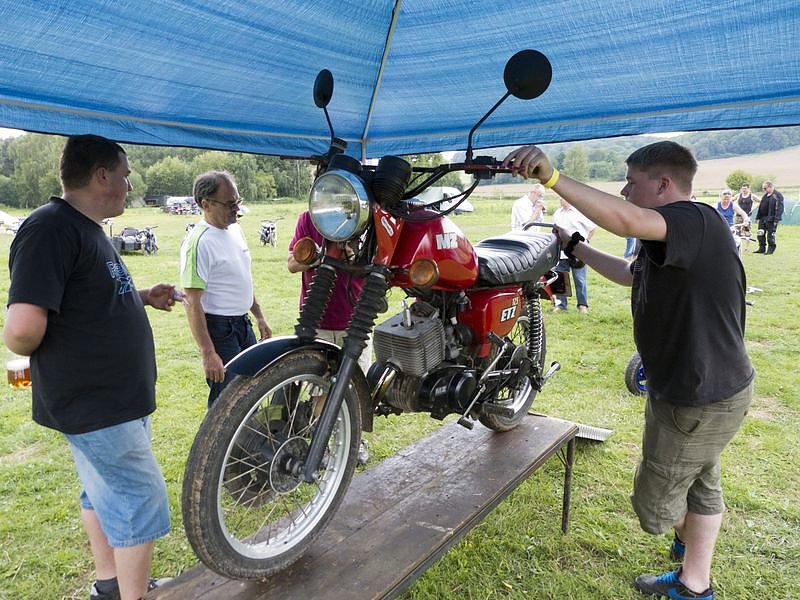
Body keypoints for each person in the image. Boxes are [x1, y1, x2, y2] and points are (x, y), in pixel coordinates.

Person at [503, 141, 753, 600]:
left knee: (654, 506)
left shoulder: (693, 219)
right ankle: (694, 583)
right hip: (706, 390)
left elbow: (625, 218)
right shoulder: (681, 238)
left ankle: (688, 540)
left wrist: (552, 178)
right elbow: (628, 273)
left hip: (696, 396)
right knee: (700, 483)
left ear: (663, 185)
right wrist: (576, 247)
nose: (624, 190)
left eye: (632, 183)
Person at [4, 134, 175, 600]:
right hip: (96, 401)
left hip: (113, 399)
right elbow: (22, 329)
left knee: (101, 493)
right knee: (139, 498)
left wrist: (139, 297)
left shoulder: (85, 227)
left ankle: (111, 586)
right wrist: (22, 336)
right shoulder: (49, 228)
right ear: (102, 175)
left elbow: (82, 299)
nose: (128, 184)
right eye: (126, 175)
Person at [180, 171, 272, 406]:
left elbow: (241, 277)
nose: (236, 209)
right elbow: (191, 302)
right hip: (220, 330)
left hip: (242, 324)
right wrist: (208, 352)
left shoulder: (235, 230)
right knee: (227, 401)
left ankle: (249, 442)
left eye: (238, 201)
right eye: (230, 204)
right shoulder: (199, 242)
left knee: (253, 389)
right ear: (206, 204)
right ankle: (220, 444)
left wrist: (259, 316)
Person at [288, 210, 371, 463]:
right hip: (318, 322)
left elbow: (378, 268)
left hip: (355, 323)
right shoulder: (308, 219)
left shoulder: (367, 220)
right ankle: (322, 444)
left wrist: (352, 257)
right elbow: (292, 264)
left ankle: (354, 442)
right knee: (319, 390)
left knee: (355, 390)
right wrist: (322, 257)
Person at [551, 197, 596, 313]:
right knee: (560, 278)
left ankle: (582, 305)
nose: (561, 200)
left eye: (563, 198)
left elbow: (592, 228)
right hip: (561, 252)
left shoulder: (580, 213)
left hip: (578, 252)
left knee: (580, 279)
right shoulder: (557, 213)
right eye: (560, 198)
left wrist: (586, 243)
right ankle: (561, 305)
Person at [754, 180, 784, 254]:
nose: (764, 190)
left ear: (770, 187)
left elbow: (780, 208)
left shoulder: (777, 195)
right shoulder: (765, 196)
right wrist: (757, 217)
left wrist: (776, 219)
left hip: (772, 219)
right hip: (763, 218)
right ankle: (761, 248)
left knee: (770, 235)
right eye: (763, 188)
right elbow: (761, 207)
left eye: (765, 188)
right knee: (760, 234)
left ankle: (770, 250)